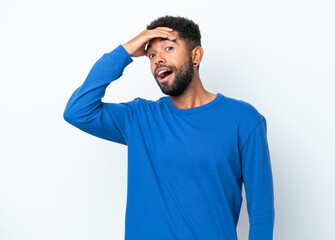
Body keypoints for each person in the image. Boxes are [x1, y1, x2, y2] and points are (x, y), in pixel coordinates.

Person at [63, 15, 275, 240]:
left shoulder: (244, 120)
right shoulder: (139, 118)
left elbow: (261, 212)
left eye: (168, 48)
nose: (158, 60)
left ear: (196, 55)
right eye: (152, 54)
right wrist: (124, 52)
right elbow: (78, 111)